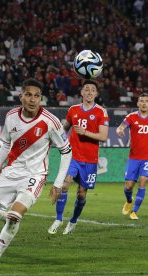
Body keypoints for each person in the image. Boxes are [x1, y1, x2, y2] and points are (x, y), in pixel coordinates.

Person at [0, 78, 72, 271]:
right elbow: (5, 146)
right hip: (10, 172)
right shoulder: (11, 116)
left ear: (41, 98)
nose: (32, 99)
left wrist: (58, 183)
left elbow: (66, 151)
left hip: (34, 175)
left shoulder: (50, 121)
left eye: (37, 96)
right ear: (21, 96)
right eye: (28, 95)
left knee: (15, 215)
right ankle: (5, 215)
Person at [48, 79, 109, 235]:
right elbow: (64, 129)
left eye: (92, 90)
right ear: (81, 92)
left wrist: (85, 132)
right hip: (72, 156)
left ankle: (73, 221)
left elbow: (103, 136)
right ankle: (59, 219)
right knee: (64, 185)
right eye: (86, 89)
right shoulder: (73, 109)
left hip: (90, 160)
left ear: (96, 93)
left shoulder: (101, 112)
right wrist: (52, 138)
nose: (89, 92)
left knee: (81, 194)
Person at [116, 92, 148, 220]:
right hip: (134, 157)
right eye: (142, 101)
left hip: (147, 158)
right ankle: (129, 200)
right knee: (129, 186)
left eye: (146, 101)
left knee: (143, 181)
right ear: (138, 103)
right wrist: (120, 130)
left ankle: (134, 211)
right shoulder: (131, 117)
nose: (144, 103)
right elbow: (120, 127)